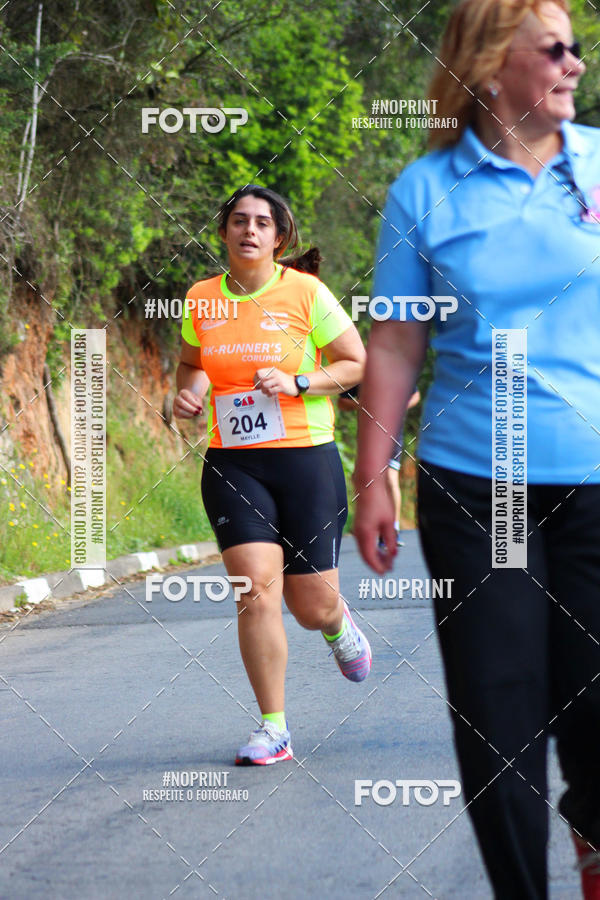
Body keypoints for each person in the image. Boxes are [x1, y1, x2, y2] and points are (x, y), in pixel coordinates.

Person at [353, 1, 600, 897]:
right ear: (496, 67)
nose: (575, 64)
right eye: (555, 50)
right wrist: (371, 472)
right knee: (502, 715)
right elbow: (393, 342)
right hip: (481, 483)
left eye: (576, 48)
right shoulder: (428, 189)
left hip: (597, 479)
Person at [173, 185, 369, 766]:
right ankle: (274, 727)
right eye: (239, 221)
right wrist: (184, 398)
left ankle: (337, 625)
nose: (249, 231)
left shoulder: (306, 292)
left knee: (311, 606)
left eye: (262, 223)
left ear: (278, 237)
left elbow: (354, 362)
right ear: (225, 231)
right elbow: (191, 369)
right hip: (234, 461)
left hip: (306, 458)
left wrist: (301, 383)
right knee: (255, 592)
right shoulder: (201, 299)